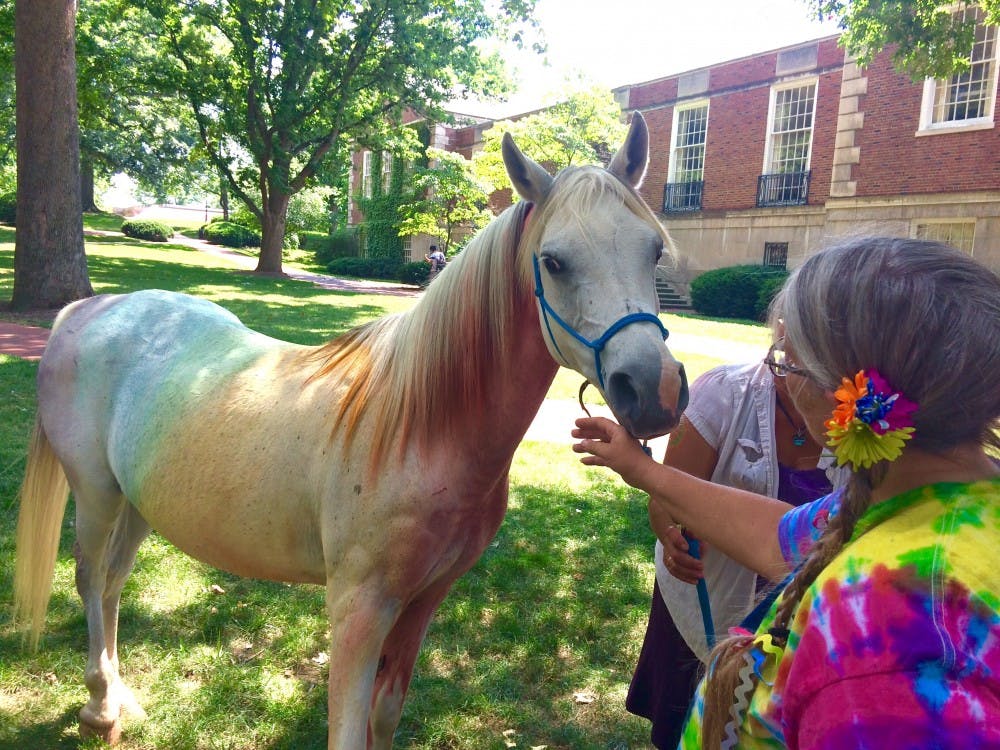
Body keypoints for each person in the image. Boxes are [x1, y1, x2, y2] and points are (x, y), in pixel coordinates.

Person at [573, 237, 1000, 748]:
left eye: (786, 360)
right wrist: (639, 468)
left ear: (841, 398)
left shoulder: (880, 638)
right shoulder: (942, 500)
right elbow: (782, 539)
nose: (778, 372)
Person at [627, 353, 841, 750]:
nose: (784, 371)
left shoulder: (864, 417)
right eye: (780, 359)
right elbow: (666, 498)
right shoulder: (723, 392)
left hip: (798, 621)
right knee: (685, 728)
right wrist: (671, 534)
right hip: (706, 599)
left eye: (801, 364)